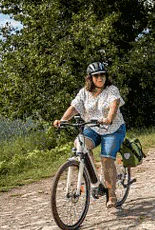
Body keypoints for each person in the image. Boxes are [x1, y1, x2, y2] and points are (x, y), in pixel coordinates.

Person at [53, 62, 126, 211]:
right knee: (80, 144)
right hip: (93, 128)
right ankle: (94, 181)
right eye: (96, 76)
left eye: (102, 75)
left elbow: (114, 105)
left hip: (113, 128)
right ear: (90, 78)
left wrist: (109, 117)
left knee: (106, 158)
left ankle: (111, 194)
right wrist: (63, 120)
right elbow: (74, 107)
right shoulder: (84, 92)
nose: (100, 78)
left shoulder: (112, 90)